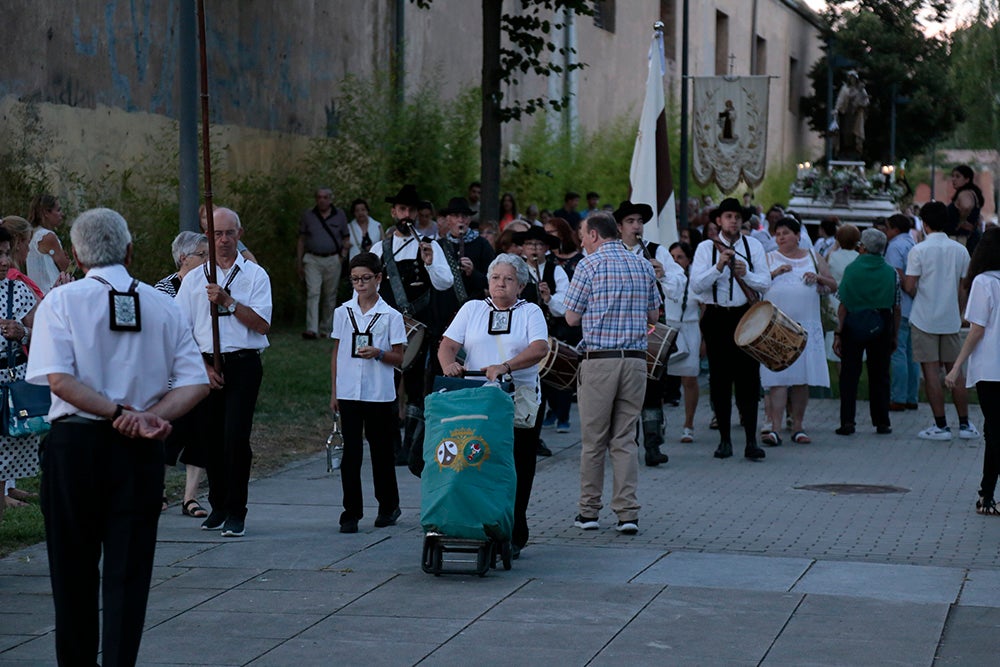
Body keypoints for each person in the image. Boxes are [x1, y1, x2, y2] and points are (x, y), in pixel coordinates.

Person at [27, 207, 208, 667]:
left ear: (76, 255)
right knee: (129, 573)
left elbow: (60, 382)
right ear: (129, 250)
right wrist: (145, 417)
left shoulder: (61, 303)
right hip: (139, 449)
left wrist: (117, 413)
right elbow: (195, 382)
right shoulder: (162, 303)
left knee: (72, 574)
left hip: (76, 447)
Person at [439, 254, 548, 558]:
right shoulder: (473, 308)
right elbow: (448, 344)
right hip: (477, 400)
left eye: (508, 278)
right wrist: (449, 364)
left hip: (517, 398)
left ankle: (515, 529)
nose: (501, 283)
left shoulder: (530, 311)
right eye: (495, 277)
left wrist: (506, 366)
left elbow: (540, 348)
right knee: (477, 461)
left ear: (521, 285)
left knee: (517, 466)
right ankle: (480, 524)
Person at [175, 207, 272, 537]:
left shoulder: (255, 276)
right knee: (210, 437)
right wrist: (202, 366)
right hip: (205, 364)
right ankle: (217, 503)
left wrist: (229, 302)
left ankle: (237, 509)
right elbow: (181, 331)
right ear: (209, 237)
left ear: (239, 235)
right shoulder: (192, 280)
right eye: (217, 234)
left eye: (230, 233)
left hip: (243, 362)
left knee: (235, 437)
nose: (224, 240)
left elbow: (262, 324)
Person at [563, 211, 660, 534]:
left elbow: (572, 318)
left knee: (593, 441)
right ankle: (628, 513)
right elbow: (653, 314)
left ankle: (589, 512)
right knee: (625, 439)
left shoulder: (588, 265)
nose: (580, 241)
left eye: (581, 234)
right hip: (635, 360)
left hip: (599, 360)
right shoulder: (643, 264)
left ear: (593, 235)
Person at [370, 185, 454, 469]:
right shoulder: (378, 249)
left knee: (418, 388)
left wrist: (430, 262)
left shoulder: (431, 246)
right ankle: (392, 446)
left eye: (411, 210)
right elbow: (367, 288)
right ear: (394, 212)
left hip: (422, 328)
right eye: (402, 209)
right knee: (387, 387)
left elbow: (445, 283)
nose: (407, 215)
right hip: (387, 329)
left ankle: (411, 447)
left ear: (418, 214)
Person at [331, 252, 406, 533]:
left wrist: (379, 353)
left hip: (379, 393)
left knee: (381, 452)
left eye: (365, 278)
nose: (360, 284)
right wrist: (334, 390)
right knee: (350, 454)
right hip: (349, 391)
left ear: (378, 278)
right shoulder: (343, 312)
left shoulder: (391, 316)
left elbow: (399, 357)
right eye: (354, 279)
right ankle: (351, 512)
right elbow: (337, 352)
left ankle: (388, 505)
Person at [690, 197, 770, 460]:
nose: (733, 221)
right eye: (728, 217)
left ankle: (750, 441)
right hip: (716, 317)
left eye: (737, 217)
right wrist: (718, 267)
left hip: (745, 316)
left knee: (749, 379)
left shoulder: (753, 245)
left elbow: (765, 283)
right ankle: (724, 439)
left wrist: (745, 273)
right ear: (718, 221)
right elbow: (697, 286)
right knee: (720, 380)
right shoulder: (705, 248)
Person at [614, 200, 685, 466]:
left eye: (640, 222)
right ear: (619, 226)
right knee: (622, 389)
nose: (637, 226)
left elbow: (680, 284)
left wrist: (664, 274)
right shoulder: (610, 251)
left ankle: (653, 445)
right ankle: (625, 444)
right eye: (631, 221)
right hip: (619, 330)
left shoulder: (656, 251)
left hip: (651, 331)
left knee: (653, 388)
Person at [759, 218, 835, 446]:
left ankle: (799, 426)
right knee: (777, 378)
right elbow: (757, 284)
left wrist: (818, 277)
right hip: (776, 326)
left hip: (806, 325)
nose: (781, 237)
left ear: (797, 235)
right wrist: (775, 273)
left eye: (786, 233)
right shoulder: (769, 258)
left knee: (802, 378)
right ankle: (774, 427)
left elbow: (833, 284)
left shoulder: (813, 256)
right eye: (778, 234)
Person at [905, 201, 974, 441]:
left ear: (924, 224)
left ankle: (941, 425)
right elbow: (964, 286)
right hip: (950, 317)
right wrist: (960, 309)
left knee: (931, 372)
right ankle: (965, 424)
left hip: (924, 318)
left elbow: (910, 285)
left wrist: (919, 294)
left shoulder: (919, 250)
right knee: (956, 371)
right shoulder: (960, 250)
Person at [155, 231, 211, 518]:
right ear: (183, 258)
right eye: (203, 255)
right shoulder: (163, 290)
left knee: (200, 432)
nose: (207, 260)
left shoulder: (210, 286)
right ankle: (159, 490)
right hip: (171, 376)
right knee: (169, 432)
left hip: (201, 372)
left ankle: (191, 498)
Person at [945, 228, 1000, 515]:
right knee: (993, 431)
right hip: (992, 367)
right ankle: (986, 494)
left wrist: (956, 366)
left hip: (991, 368)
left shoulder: (983, 282)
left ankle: (987, 494)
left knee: (995, 431)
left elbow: (976, 328)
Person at [834, 228, 899, 436]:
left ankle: (847, 421)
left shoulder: (852, 269)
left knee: (849, 374)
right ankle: (882, 421)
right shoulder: (891, 272)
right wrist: (894, 333)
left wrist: (838, 332)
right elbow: (896, 306)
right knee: (880, 374)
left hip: (854, 322)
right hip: (882, 322)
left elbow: (843, 303)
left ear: (862, 247)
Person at [516, 226, 572, 438]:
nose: (534, 249)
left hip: (551, 331)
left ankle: (561, 414)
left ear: (546, 248)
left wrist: (549, 299)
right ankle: (533, 422)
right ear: (523, 248)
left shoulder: (555, 270)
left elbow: (565, 307)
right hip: (522, 333)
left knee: (554, 376)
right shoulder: (516, 268)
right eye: (530, 245)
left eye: (539, 245)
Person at [0, 227, 39, 516]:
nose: (4, 261)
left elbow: (40, 329)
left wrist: (22, 331)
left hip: (9, 380)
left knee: (4, 456)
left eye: (5, 254)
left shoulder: (16, 290)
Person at [297, 187, 349, 340]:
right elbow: (301, 240)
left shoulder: (339, 215)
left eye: (325, 197)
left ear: (330, 199)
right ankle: (311, 329)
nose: (322, 200)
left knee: (330, 295)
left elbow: (346, 239)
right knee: (313, 292)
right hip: (312, 258)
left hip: (333, 258)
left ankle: (326, 328)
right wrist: (299, 261)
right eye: (319, 197)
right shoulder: (308, 216)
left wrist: (342, 257)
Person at [665, 241, 703, 443]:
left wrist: (704, 338)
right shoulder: (663, 279)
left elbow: (704, 307)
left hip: (689, 328)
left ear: (688, 261)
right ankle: (656, 420)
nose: (675, 261)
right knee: (659, 378)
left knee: (689, 378)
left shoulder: (695, 282)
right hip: (667, 328)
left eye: (680, 257)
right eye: (672, 257)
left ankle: (688, 424)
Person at [885, 214, 920, 412]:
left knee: (897, 351)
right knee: (912, 354)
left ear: (895, 229)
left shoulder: (895, 246)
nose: (886, 232)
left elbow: (895, 272)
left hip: (900, 304)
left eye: (888, 228)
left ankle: (898, 397)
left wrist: (908, 288)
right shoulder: (912, 243)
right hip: (915, 306)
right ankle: (911, 396)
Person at [26, 194, 73, 294]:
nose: (62, 214)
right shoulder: (47, 236)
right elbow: (67, 269)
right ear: (46, 213)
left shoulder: (33, 234)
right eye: (58, 210)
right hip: (52, 291)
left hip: (38, 293)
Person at [947, 164, 984, 256]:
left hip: (962, 239)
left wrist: (961, 222)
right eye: (953, 176)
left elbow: (966, 206)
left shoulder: (964, 193)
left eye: (958, 176)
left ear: (967, 179)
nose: (954, 179)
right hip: (967, 237)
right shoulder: (972, 193)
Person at [834, 70, 869, 159]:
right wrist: (837, 109)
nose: (852, 80)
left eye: (853, 78)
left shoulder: (861, 89)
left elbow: (866, 101)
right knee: (845, 133)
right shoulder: (845, 88)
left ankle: (855, 149)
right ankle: (844, 150)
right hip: (846, 114)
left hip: (856, 115)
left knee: (855, 132)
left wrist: (860, 103)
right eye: (850, 78)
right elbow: (840, 100)